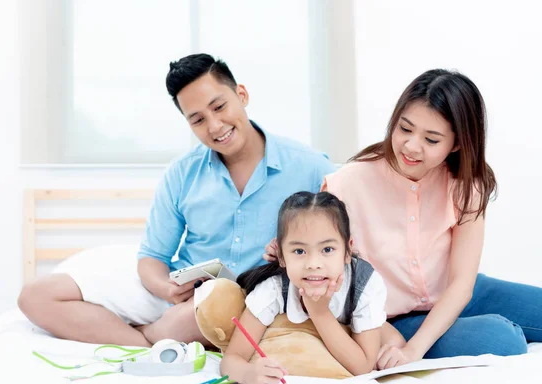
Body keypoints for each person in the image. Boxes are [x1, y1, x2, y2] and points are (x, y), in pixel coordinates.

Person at [267, 68, 542, 369]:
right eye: (405, 129)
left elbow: (462, 283)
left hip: (461, 293)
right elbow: (322, 259)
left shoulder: (467, 182)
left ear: (457, 144)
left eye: (431, 139)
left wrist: (415, 352)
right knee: (501, 338)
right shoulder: (348, 183)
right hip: (394, 318)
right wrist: (287, 249)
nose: (411, 146)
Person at [17, 54, 336, 347]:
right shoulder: (182, 173)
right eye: (197, 120)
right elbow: (153, 256)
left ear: (241, 95)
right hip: (182, 291)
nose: (214, 126)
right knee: (36, 296)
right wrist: (166, 289)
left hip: (252, 299)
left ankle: (147, 333)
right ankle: (146, 342)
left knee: (200, 314)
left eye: (219, 107)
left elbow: (341, 248)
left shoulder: (310, 167)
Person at [221, 191, 387, 384]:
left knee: (393, 340)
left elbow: (362, 366)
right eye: (299, 251)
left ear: (348, 250)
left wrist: (319, 312)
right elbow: (231, 359)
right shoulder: (272, 288)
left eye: (327, 249)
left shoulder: (365, 284)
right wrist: (248, 373)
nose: (313, 264)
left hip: (360, 328)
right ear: (281, 256)